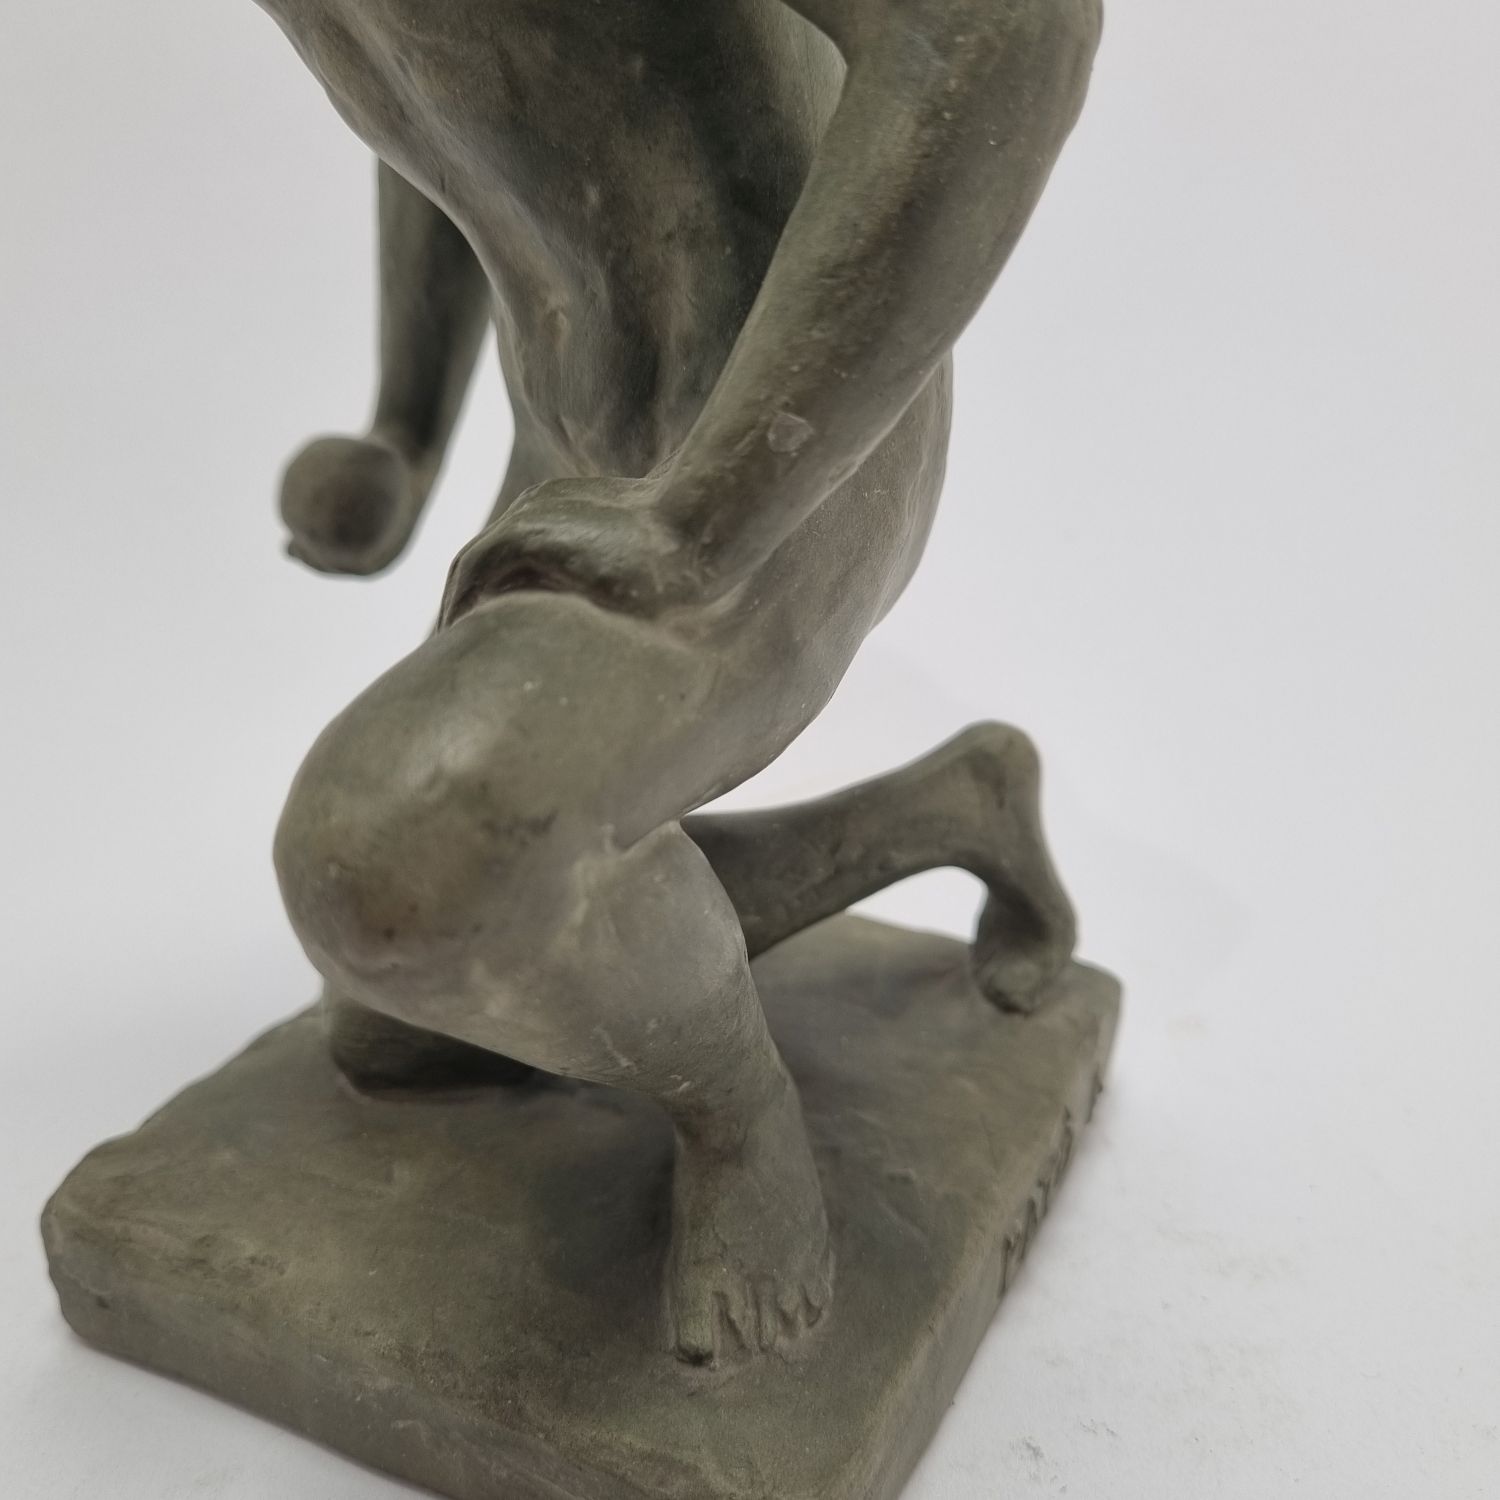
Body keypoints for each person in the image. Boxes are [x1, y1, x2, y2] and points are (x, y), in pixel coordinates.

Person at [266, 0, 1101, 1364]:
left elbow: (1003, 30)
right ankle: (947, 810)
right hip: (576, 452)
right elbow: (438, 69)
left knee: (397, 871)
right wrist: (405, 427)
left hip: (780, 445)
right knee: (411, 1007)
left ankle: (740, 1123)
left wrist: (706, 522)